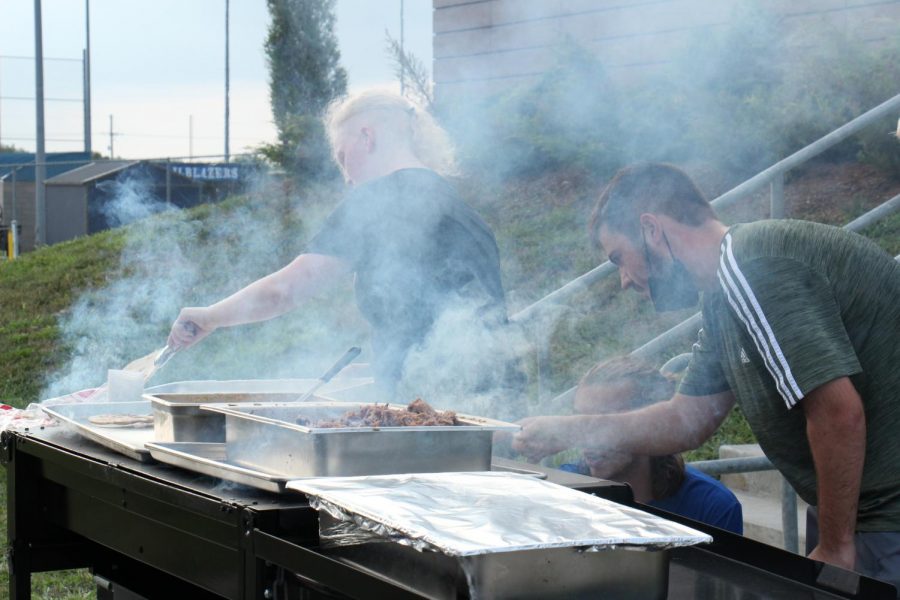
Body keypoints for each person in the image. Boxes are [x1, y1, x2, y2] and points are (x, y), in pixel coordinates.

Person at [513, 162, 900, 591]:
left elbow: (838, 414)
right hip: (864, 516)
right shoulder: (723, 297)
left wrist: (835, 545)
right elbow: (686, 420)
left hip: (886, 520)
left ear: (652, 230)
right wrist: (568, 430)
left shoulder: (753, 267)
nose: (624, 280)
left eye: (620, 258)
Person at [168, 90, 518, 408]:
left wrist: (210, 317)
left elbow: (285, 291)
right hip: (490, 406)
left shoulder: (378, 199)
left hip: (429, 412)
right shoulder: (461, 210)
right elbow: (436, 321)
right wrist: (380, 366)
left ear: (367, 136)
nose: (346, 177)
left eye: (342, 155)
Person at [569, 355, 743, 534]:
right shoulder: (563, 489)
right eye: (580, 421)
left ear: (652, 423)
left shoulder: (709, 506)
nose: (589, 438)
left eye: (605, 422)